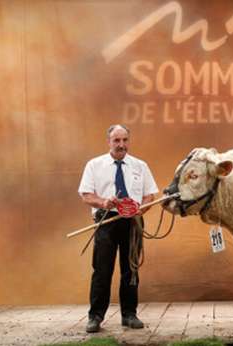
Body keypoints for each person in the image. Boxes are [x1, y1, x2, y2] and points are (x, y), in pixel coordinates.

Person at [78, 124, 158, 332]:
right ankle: (95, 317)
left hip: (132, 222)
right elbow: (86, 195)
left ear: (128, 141)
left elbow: (150, 195)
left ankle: (129, 315)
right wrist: (104, 202)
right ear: (109, 142)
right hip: (106, 220)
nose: (121, 145)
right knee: (102, 270)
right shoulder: (94, 165)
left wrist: (140, 209)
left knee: (130, 269)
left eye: (124, 140)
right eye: (117, 140)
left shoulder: (140, 166)